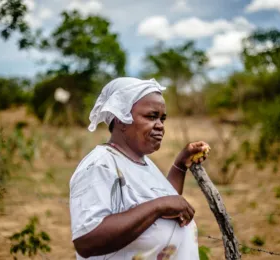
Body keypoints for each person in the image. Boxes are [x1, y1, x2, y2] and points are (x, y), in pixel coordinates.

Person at [69, 77, 210, 260]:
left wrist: (180, 165)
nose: (160, 125)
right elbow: (86, 242)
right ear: (121, 118)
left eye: (162, 118)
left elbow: (162, 205)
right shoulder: (100, 166)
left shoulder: (143, 163)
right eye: (151, 116)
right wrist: (158, 206)